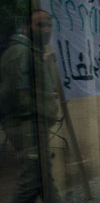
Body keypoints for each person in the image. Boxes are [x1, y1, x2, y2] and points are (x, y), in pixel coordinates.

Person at [0, 10, 62, 201]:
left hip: (35, 126)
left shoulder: (31, 52)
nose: (46, 30)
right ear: (27, 27)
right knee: (31, 181)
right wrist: (32, 123)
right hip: (29, 127)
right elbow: (17, 92)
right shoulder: (20, 52)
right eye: (40, 25)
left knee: (44, 179)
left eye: (49, 25)